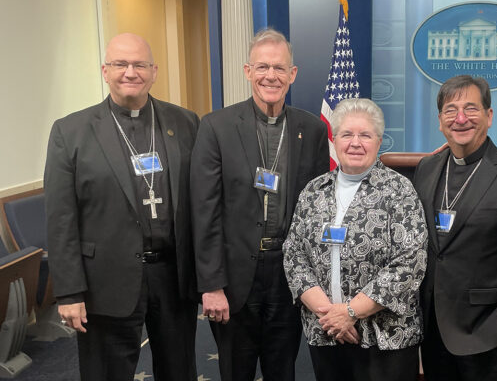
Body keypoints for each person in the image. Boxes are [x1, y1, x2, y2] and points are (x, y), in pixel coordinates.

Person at [45, 33, 199, 381]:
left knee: (180, 371)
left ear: (154, 71)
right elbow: (60, 219)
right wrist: (69, 292)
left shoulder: (185, 123)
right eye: (120, 64)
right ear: (105, 70)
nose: (130, 72)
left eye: (139, 64)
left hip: (172, 277)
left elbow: (200, 203)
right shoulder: (71, 132)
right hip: (106, 281)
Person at [191, 28, 329, 381]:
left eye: (280, 68)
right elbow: (204, 210)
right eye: (263, 67)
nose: (271, 76)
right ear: (247, 71)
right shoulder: (216, 127)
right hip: (235, 276)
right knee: (235, 369)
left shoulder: (311, 129)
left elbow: (317, 209)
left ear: (293, 74)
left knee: (282, 369)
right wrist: (211, 284)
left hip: (288, 273)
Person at [412, 75, 497, 381]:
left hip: (490, 334)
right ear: (439, 121)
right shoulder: (426, 169)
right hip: (434, 331)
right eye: (451, 110)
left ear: (489, 116)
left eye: (471, 109)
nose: (460, 118)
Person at [283, 98, 427, 381]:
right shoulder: (314, 190)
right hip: (327, 332)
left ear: (379, 141)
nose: (355, 143)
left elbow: (409, 264)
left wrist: (349, 312)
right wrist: (331, 316)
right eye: (347, 134)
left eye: (365, 135)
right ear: (334, 140)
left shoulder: (399, 191)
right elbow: (293, 255)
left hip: (385, 338)